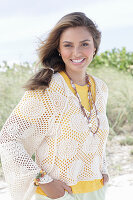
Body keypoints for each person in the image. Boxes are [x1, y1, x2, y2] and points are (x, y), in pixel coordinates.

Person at [0, 12, 109, 200]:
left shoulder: (100, 88)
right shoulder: (47, 89)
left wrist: (103, 167)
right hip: (59, 194)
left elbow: (93, 132)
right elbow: (8, 138)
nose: (76, 52)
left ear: (94, 48)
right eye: (68, 45)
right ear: (59, 49)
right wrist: (42, 180)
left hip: (96, 191)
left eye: (84, 44)